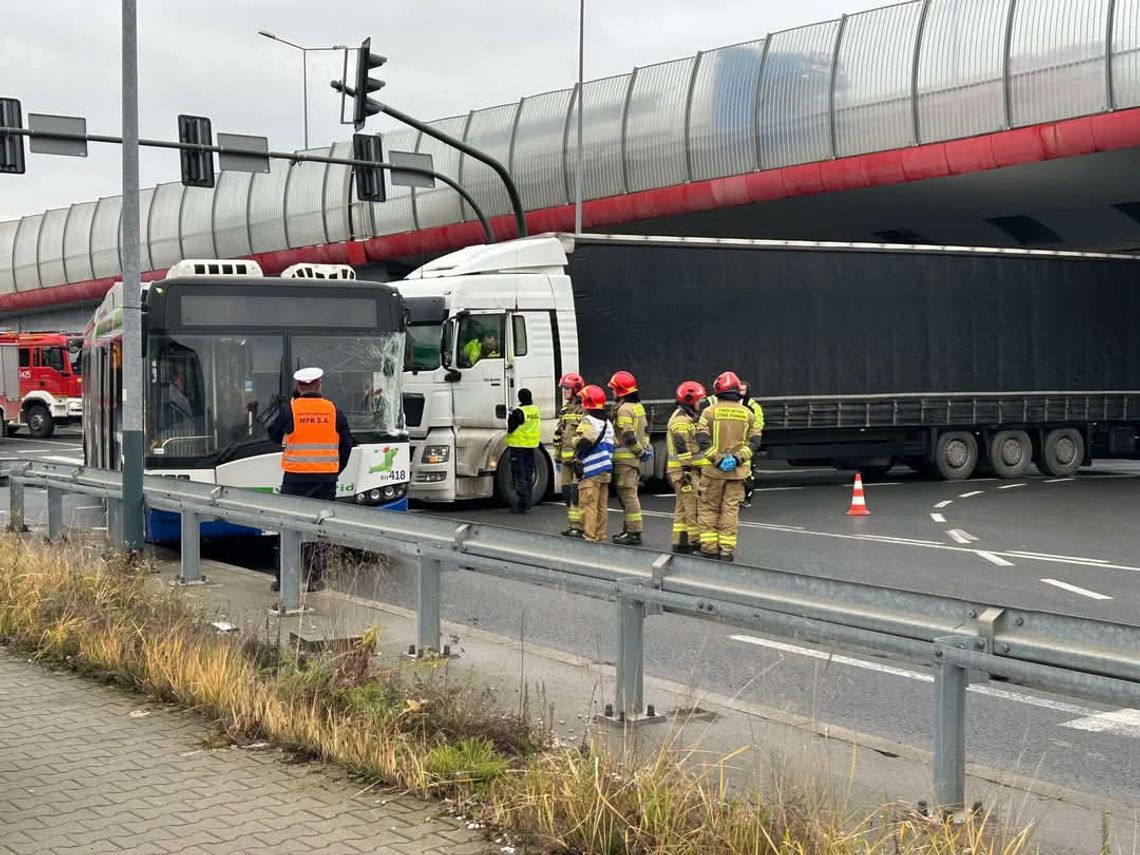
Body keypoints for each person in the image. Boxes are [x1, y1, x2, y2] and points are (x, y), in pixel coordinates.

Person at [267, 367, 354, 592]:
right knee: (319, 529)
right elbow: (346, 444)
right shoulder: (334, 410)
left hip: (295, 479)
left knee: (286, 527)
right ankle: (315, 579)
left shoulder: (290, 410)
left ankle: (283, 578)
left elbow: (273, 435)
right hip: (325, 481)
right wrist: (335, 470)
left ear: (299, 387)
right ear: (319, 385)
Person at [694, 371, 762, 562]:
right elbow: (755, 442)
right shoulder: (748, 413)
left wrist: (718, 459)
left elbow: (701, 438)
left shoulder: (709, 412)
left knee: (709, 508)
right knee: (730, 510)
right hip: (737, 473)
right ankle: (726, 551)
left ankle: (709, 548)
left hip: (713, 472)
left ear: (718, 391)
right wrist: (738, 459)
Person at [607, 370, 652, 546]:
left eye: (614, 389)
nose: (612, 392)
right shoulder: (637, 407)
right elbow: (646, 430)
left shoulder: (624, 410)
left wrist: (639, 451)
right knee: (627, 495)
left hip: (625, 461)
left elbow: (628, 435)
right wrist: (645, 448)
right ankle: (628, 529)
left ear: (621, 390)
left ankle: (634, 532)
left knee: (628, 495)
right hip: (633, 460)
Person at [569, 385, 615, 543]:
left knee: (589, 506)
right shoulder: (608, 424)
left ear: (588, 404)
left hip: (591, 470)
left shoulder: (588, 421)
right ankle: (600, 536)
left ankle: (589, 537)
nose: (580, 405)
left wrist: (574, 440)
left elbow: (585, 441)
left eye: (582, 401)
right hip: (605, 470)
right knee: (602, 507)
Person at [667, 381, 706, 554]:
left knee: (682, 508)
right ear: (690, 399)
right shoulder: (682, 420)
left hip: (680, 472)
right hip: (684, 472)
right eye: (699, 400)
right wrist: (687, 469)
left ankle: (679, 542)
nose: (700, 403)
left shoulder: (683, 416)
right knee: (693, 506)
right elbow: (681, 444)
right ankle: (695, 542)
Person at [552, 372, 586, 537]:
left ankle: (580, 527)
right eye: (564, 388)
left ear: (576, 389)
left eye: (567, 388)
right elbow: (560, 432)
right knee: (566, 493)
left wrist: (580, 459)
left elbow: (585, 435)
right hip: (565, 460)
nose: (564, 391)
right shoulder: (565, 410)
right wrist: (557, 455)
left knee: (576, 494)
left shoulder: (583, 410)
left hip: (577, 460)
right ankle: (573, 525)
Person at [504, 387, 541, 514]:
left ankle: (522, 504)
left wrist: (510, 415)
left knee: (519, 474)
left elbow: (511, 428)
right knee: (528, 474)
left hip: (518, 446)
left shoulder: (519, 412)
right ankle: (528, 502)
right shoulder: (535, 410)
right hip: (531, 446)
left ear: (520, 398)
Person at [739, 381, 766, 508]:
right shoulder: (735, 404)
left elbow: (758, 425)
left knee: (748, 472)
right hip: (736, 443)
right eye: (739, 389)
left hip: (748, 443)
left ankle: (747, 497)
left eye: (743, 390)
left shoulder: (754, 406)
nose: (740, 392)